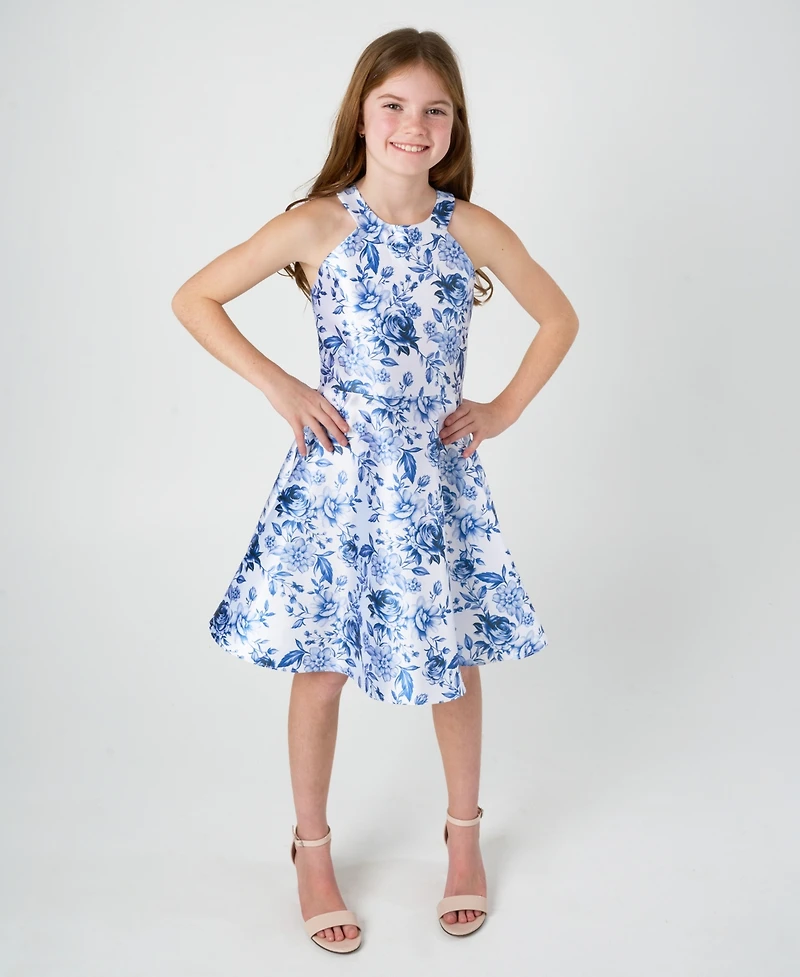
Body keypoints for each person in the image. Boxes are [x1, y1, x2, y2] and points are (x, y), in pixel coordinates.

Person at [172, 26, 578, 955]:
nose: (413, 125)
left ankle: (464, 837)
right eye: (394, 105)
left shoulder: (468, 228)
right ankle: (311, 850)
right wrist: (282, 387)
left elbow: (558, 316)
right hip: (340, 483)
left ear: (453, 126)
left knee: (454, 657)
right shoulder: (319, 224)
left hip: (434, 483)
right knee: (322, 668)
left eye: (435, 110)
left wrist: (502, 409)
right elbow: (195, 297)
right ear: (361, 114)